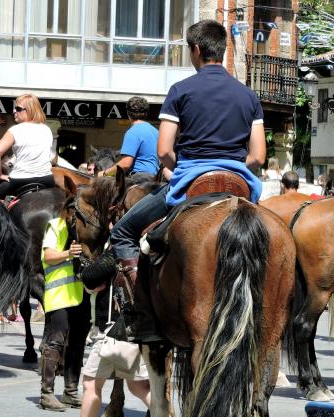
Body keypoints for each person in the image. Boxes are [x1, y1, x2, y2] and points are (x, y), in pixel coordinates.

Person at [108, 19, 265, 291]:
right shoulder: (249, 96)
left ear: (196, 49)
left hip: (190, 181)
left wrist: (180, 168)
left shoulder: (180, 91)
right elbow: (258, 157)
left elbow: (163, 150)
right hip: (238, 184)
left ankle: (138, 309)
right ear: (222, 49)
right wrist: (233, 167)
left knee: (122, 231)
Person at [48, 258, 187, 417]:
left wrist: (79, 262)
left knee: (91, 385)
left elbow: (91, 279)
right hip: (136, 330)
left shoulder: (117, 251)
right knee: (139, 387)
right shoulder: (143, 255)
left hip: (113, 332)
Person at [39, 214, 91, 411]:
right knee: (55, 342)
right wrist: (69, 253)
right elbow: (48, 256)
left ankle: (70, 391)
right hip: (59, 295)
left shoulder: (88, 228)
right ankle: (46, 394)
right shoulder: (56, 225)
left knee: (77, 344)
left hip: (80, 295)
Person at [0, 94, 55, 198]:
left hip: (20, 179)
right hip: (47, 179)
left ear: (29, 110)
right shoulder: (47, 129)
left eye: (18, 109)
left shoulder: (15, 130)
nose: (14, 111)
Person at [98, 96, 159, 179]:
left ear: (128, 113)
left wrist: (104, 173)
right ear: (146, 113)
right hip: (155, 178)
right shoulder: (156, 131)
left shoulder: (133, 131)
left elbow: (125, 164)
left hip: (139, 178)